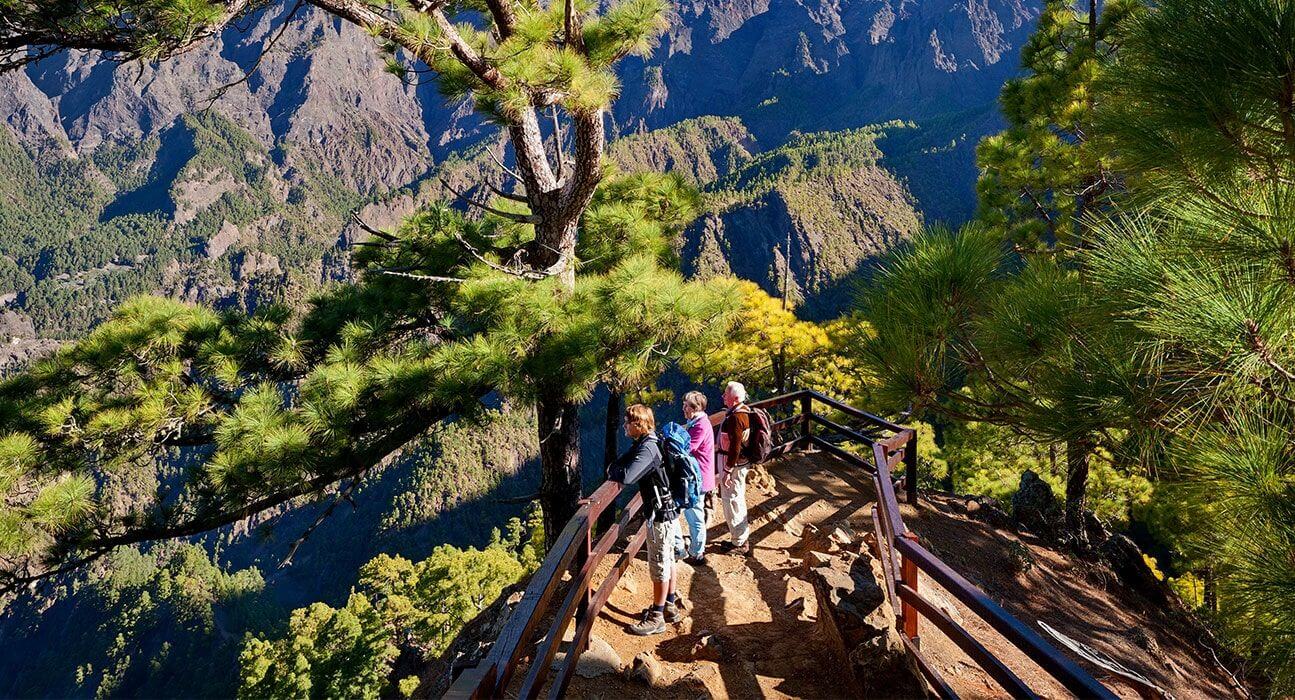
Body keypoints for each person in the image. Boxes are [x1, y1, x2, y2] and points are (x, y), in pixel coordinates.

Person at [607, 403, 685, 635]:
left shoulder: (648, 448)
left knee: (659, 563)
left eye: (627, 422)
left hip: (660, 515)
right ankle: (669, 605)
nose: (624, 426)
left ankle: (657, 617)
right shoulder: (648, 442)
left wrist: (613, 471)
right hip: (667, 511)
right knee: (667, 560)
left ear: (638, 424)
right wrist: (615, 467)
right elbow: (622, 463)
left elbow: (628, 476)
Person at [679, 391, 715, 565]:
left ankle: (697, 553)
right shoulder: (698, 422)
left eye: (686, 405)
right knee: (693, 513)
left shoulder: (700, 425)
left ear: (695, 408)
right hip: (698, 476)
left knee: (694, 515)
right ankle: (695, 549)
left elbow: (688, 448)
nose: (683, 408)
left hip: (697, 478)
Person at [717, 381, 752, 555]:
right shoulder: (742, 412)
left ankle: (739, 542)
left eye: (726, 394)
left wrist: (727, 470)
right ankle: (739, 538)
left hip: (734, 466)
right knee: (736, 499)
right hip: (739, 464)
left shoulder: (737, 418)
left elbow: (735, 448)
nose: (723, 396)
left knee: (732, 501)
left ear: (736, 399)